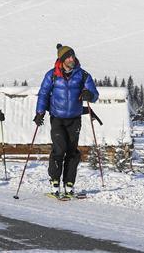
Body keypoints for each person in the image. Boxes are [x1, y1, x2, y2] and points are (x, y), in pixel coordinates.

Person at [34, 44, 99, 198]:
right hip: (57, 118)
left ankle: (69, 185)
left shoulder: (83, 75)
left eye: (73, 56)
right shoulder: (52, 75)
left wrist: (89, 95)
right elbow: (43, 93)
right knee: (59, 149)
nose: (72, 59)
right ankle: (55, 183)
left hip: (74, 119)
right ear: (62, 59)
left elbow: (95, 94)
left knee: (72, 151)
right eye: (68, 57)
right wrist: (39, 113)